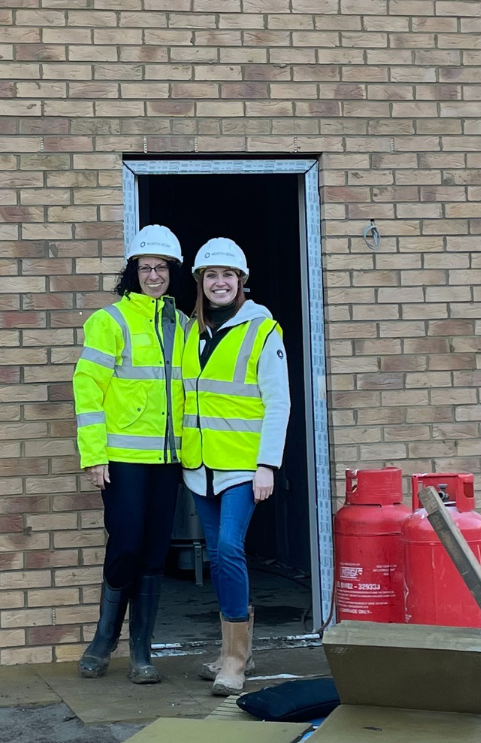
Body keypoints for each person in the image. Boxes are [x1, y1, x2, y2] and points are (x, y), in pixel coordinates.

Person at [72, 225, 187, 683]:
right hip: (121, 459)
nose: (153, 275)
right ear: (133, 272)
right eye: (145, 268)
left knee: (155, 552)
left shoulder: (184, 326)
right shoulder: (110, 321)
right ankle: (105, 639)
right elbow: (87, 388)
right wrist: (94, 455)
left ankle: (142, 649)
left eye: (161, 268)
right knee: (126, 544)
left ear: (171, 273)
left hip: (169, 461)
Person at [181, 237, 291, 696]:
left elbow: (278, 402)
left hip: (243, 468)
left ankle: (235, 661)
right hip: (199, 465)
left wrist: (267, 465)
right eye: (211, 276)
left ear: (242, 282)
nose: (219, 283)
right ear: (200, 283)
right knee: (217, 555)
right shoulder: (191, 331)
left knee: (228, 549)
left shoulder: (264, 331)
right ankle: (232, 649)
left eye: (228, 275)